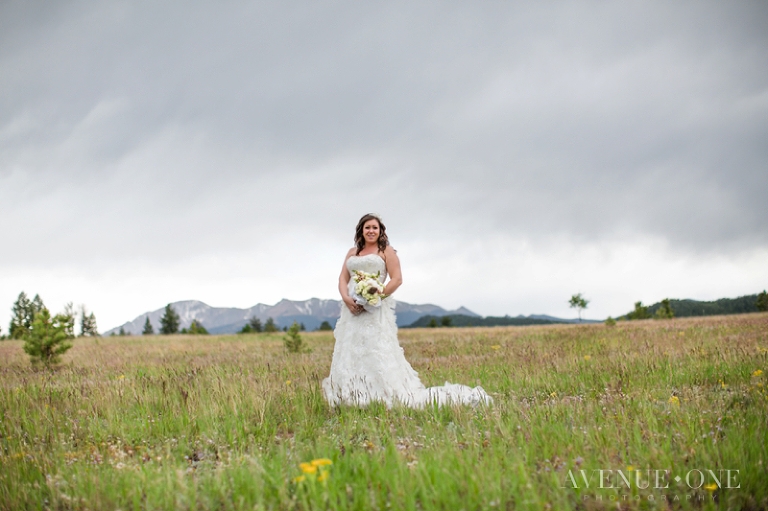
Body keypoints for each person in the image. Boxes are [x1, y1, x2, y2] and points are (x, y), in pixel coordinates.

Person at [321, 213, 493, 407]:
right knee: (350, 348)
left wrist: (375, 297)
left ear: (380, 231)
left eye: (375, 228)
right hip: (351, 310)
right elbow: (343, 279)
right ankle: (350, 394)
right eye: (367, 227)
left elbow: (397, 279)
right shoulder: (352, 252)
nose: (371, 231)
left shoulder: (386, 251)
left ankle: (380, 393)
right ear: (361, 229)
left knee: (374, 348)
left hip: (375, 309)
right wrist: (346, 298)